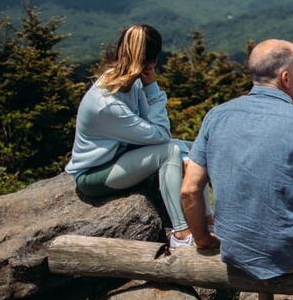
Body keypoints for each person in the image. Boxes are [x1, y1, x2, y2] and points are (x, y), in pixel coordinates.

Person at [181, 39, 293, 300]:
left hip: (233, 249)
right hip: (289, 256)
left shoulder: (217, 115)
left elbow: (189, 190)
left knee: (259, 208)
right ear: (286, 77)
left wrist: (202, 239)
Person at [65, 24, 209, 249]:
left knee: (196, 149)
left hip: (121, 156)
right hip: (94, 175)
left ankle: (207, 222)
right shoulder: (108, 103)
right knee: (169, 152)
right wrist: (153, 88)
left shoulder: (128, 83)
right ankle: (181, 233)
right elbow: (161, 135)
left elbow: (151, 131)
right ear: (151, 62)